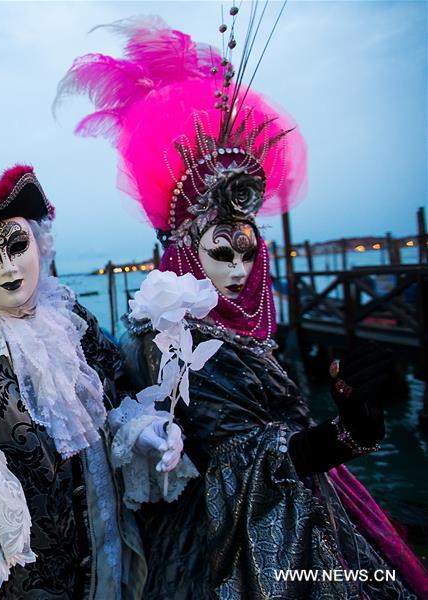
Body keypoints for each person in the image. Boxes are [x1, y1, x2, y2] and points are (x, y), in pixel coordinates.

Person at [57, 14, 428, 599]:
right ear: (187, 254)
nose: (237, 271)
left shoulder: (237, 327)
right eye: (220, 253)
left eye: (248, 253)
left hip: (292, 509)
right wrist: (347, 432)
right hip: (227, 543)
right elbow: (244, 459)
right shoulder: (177, 339)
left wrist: (350, 420)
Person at [0, 110, 186, 599]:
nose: (8, 267)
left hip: (110, 537)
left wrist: (142, 430)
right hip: (40, 572)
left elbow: (117, 391)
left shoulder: (71, 316)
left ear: (39, 245)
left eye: (17, 245)